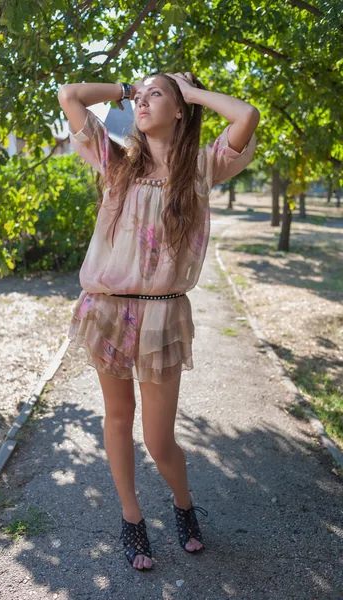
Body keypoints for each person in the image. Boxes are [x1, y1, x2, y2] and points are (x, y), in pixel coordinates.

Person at [57, 72, 259, 571]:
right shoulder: (116, 163)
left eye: (156, 95)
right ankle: (132, 519)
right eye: (139, 96)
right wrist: (128, 91)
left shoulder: (200, 168)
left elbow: (246, 116)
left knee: (158, 438)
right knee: (118, 419)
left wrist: (188, 91)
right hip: (106, 308)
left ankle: (184, 505)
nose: (143, 102)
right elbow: (70, 96)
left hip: (163, 313)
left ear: (179, 111)